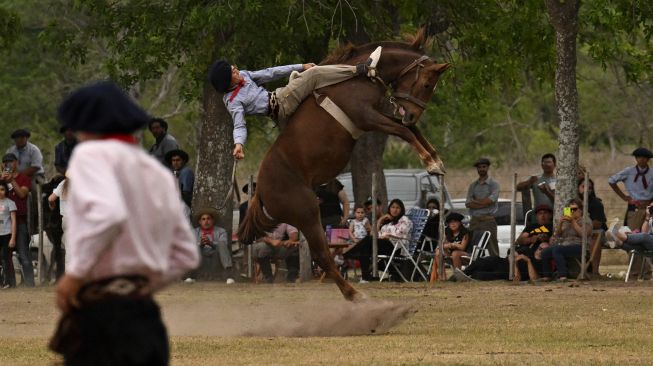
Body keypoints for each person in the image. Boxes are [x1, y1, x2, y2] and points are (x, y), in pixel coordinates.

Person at [50, 81, 199, 366]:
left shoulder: (90, 155)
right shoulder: (157, 172)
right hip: (146, 318)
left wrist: (76, 275)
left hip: (101, 317)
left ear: (86, 126)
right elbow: (186, 254)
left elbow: (109, 215)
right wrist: (140, 286)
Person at [208, 47, 382, 160]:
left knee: (301, 76)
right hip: (281, 104)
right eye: (233, 72)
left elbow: (271, 73)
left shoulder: (244, 75)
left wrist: (300, 66)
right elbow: (239, 125)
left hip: (282, 94)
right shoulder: (233, 101)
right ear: (227, 81)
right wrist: (239, 144)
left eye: (234, 68)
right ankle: (360, 70)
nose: (236, 70)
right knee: (314, 75)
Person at [344, 199, 412, 282]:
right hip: (385, 245)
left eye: (398, 208)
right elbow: (375, 235)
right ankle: (365, 277)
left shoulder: (404, 219)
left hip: (396, 247)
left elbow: (401, 234)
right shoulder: (388, 223)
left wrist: (388, 236)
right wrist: (380, 220)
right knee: (365, 246)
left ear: (402, 209)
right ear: (389, 209)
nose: (395, 210)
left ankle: (347, 255)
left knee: (367, 241)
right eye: (393, 207)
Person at [0, 153, 33, 287]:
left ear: (16, 163)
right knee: (5, 257)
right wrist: (2, 180)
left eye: (10, 161)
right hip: (3, 223)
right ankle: (10, 283)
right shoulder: (1, 179)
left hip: (19, 221)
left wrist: (12, 181)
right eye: (5, 162)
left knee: (23, 254)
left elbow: (22, 194)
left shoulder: (23, 179)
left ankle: (30, 283)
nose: (8, 164)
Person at [539, 198, 592, 281]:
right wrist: (560, 223)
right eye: (570, 209)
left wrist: (573, 222)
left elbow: (583, 234)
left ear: (581, 210)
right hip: (566, 246)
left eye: (574, 209)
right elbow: (557, 235)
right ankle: (547, 276)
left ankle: (563, 276)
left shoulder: (586, 220)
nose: (572, 211)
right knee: (545, 252)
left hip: (580, 246)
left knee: (557, 249)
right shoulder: (566, 222)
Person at [609, 147, 653, 232]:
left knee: (648, 233)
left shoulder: (652, 173)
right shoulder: (629, 171)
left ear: (648, 159)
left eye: (644, 157)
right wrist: (624, 197)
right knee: (632, 233)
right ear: (636, 158)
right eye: (639, 157)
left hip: (650, 207)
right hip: (635, 207)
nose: (642, 159)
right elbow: (611, 180)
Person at [465, 158, 500, 256]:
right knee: (471, 247)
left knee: (492, 247)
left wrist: (476, 201)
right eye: (479, 167)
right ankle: (472, 268)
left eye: (484, 167)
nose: (481, 169)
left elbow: (489, 201)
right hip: (474, 220)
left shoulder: (494, 184)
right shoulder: (473, 185)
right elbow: (468, 203)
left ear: (488, 167)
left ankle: (496, 269)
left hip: (488, 220)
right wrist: (484, 202)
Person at [578, 178, 608, 275]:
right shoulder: (571, 204)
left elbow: (598, 223)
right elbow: (568, 218)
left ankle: (595, 272)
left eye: (590, 188)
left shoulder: (596, 203)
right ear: (578, 188)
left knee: (595, 238)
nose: (587, 190)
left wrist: (583, 226)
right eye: (583, 187)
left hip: (595, 233)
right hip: (576, 232)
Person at [516, 153, 556, 219]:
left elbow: (560, 202)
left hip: (553, 215)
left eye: (549, 162)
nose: (546, 164)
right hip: (538, 215)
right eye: (544, 162)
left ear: (554, 164)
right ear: (541, 165)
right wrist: (529, 182)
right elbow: (518, 187)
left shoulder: (559, 181)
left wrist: (546, 192)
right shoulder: (535, 178)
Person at [48, 177, 69, 280]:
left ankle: (69, 277)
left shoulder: (63, 183)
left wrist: (52, 205)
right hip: (78, 221)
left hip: (66, 220)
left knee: (69, 250)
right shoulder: (82, 182)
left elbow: (51, 199)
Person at [0, 182, 17, 289]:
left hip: (6, 234)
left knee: (5, 258)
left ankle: (9, 282)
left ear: (6, 191)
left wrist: (13, 238)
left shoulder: (10, 203)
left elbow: (14, 221)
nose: (0, 191)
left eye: (2, 189)